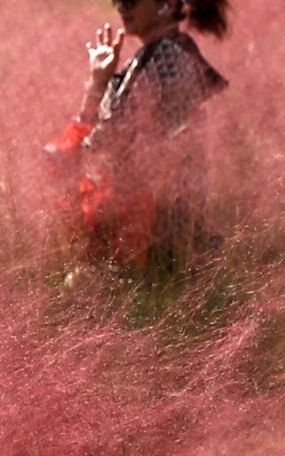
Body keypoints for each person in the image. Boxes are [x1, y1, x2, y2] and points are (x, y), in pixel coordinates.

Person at [49, 0, 230, 266]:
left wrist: (97, 88)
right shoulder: (160, 54)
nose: (121, 6)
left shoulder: (167, 59)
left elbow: (104, 147)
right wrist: (99, 82)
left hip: (159, 244)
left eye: (131, 0)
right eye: (116, 1)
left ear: (167, 4)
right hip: (155, 237)